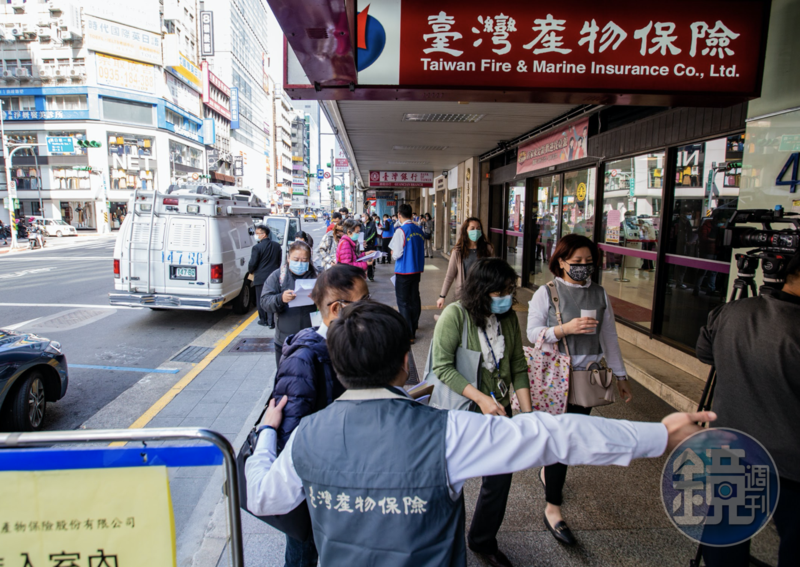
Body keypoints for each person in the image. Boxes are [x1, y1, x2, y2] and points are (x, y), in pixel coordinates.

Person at [245, 301, 716, 567]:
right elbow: (552, 434)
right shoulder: (448, 432)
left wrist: (268, 434)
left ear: (339, 367)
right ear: (406, 364)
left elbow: (264, 496)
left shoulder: (305, 437)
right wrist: (659, 436)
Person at [526, 233, 632, 546]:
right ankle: (553, 509)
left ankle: (549, 474)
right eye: (577, 262)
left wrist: (621, 376)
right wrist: (563, 329)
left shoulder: (599, 294)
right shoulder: (547, 293)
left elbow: (609, 337)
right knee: (562, 442)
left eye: (589, 262)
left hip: (586, 380)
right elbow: (534, 333)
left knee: (568, 441)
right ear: (560, 261)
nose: (584, 268)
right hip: (555, 377)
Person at [695, 252, 800, 567]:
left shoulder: (731, 311)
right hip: (792, 464)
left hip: (732, 450)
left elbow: (704, 352)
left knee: (725, 539)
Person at [431, 258, 532, 566]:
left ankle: (483, 539)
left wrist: (527, 415)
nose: (506, 297)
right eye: (499, 291)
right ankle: (441, 541)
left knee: (499, 479)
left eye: (509, 290)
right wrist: (481, 399)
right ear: (481, 290)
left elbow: (517, 365)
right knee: (449, 480)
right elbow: (442, 366)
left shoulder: (509, 319)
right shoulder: (455, 315)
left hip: (500, 412)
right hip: (463, 410)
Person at [270, 264, 369, 566]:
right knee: (303, 554)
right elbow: (292, 437)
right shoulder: (304, 357)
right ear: (337, 308)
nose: (369, 308)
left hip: (342, 475)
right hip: (313, 488)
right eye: (363, 302)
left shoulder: (349, 344)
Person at [262, 241, 318, 367]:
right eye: (296, 259)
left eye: (304, 260)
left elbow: (332, 303)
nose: (300, 263)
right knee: (286, 376)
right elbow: (264, 301)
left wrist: (320, 298)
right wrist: (281, 298)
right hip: (285, 341)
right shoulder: (278, 277)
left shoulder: (318, 277)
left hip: (311, 339)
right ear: (288, 258)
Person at [437, 218, 494, 310]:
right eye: (472, 228)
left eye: (478, 228)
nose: (476, 231)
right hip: (464, 294)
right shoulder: (458, 251)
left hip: (483, 293)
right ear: (465, 231)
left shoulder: (488, 249)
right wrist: (442, 296)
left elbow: (492, 272)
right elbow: (450, 275)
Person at [390, 204, 425, 342]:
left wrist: (393, 253)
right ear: (411, 215)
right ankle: (414, 325)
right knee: (414, 298)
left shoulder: (401, 231)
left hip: (404, 271)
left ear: (399, 215)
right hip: (416, 270)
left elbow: (396, 254)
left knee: (403, 302)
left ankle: (409, 333)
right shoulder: (418, 229)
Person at [248, 225, 282, 328]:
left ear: (264, 234)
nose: (255, 235)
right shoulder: (277, 246)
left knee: (261, 299)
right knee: (272, 298)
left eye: (257, 234)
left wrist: (250, 271)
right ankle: (272, 322)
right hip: (274, 277)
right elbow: (279, 261)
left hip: (260, 278)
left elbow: (252, 264)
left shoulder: (257, 247)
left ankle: (264, 320)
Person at [362, 214, 378, 281]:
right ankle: (362, 276)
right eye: (361, 216)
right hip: (362, 246)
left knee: (370, 261)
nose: (362, 218)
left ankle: (370, 276)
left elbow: (373, 234)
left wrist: (366, 241)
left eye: (363, 216)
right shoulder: (361, 225)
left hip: (370, 245)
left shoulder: (372, 224)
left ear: (367, 217)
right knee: (362, 261)